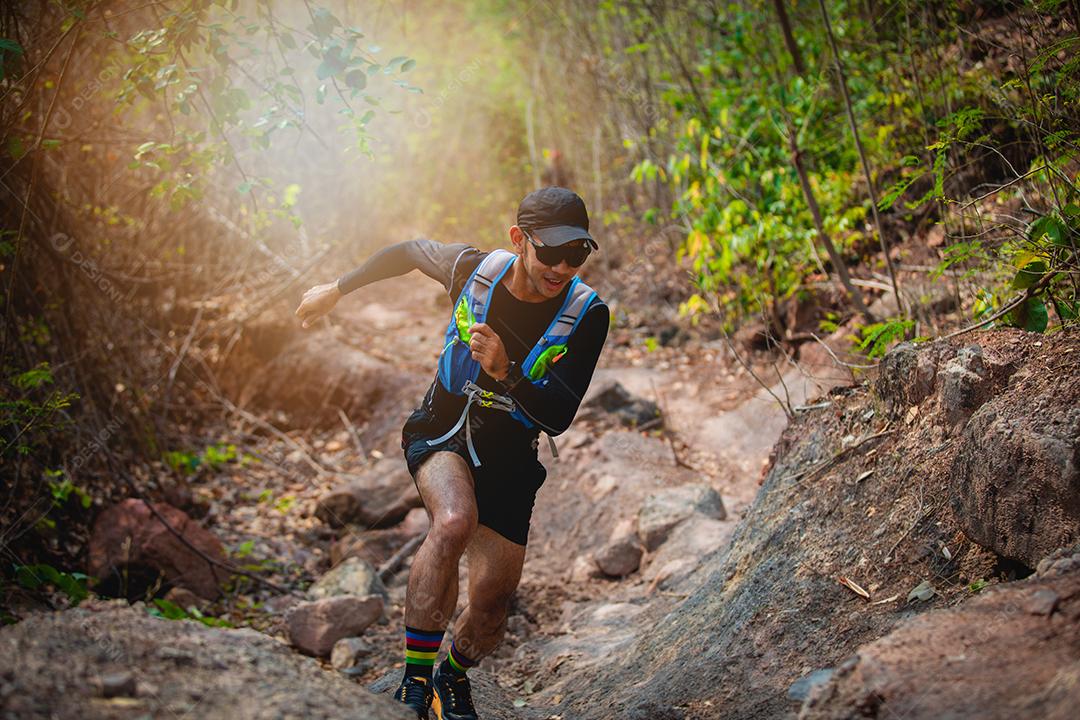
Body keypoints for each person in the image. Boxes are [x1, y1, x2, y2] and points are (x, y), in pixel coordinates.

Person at [294, 187, 609, 720]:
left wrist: (507, 372)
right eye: (551, 251)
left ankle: (453, 674)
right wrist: (337, 289)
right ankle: (416, 681)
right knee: (454, 520)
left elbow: (558, 416)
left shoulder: (588, 314)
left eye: (575, 253)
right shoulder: (472, 269)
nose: (562, 266)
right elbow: (408, 252)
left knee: (490, 609)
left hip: (510, 458)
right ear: (519, 239)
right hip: (442, 429)